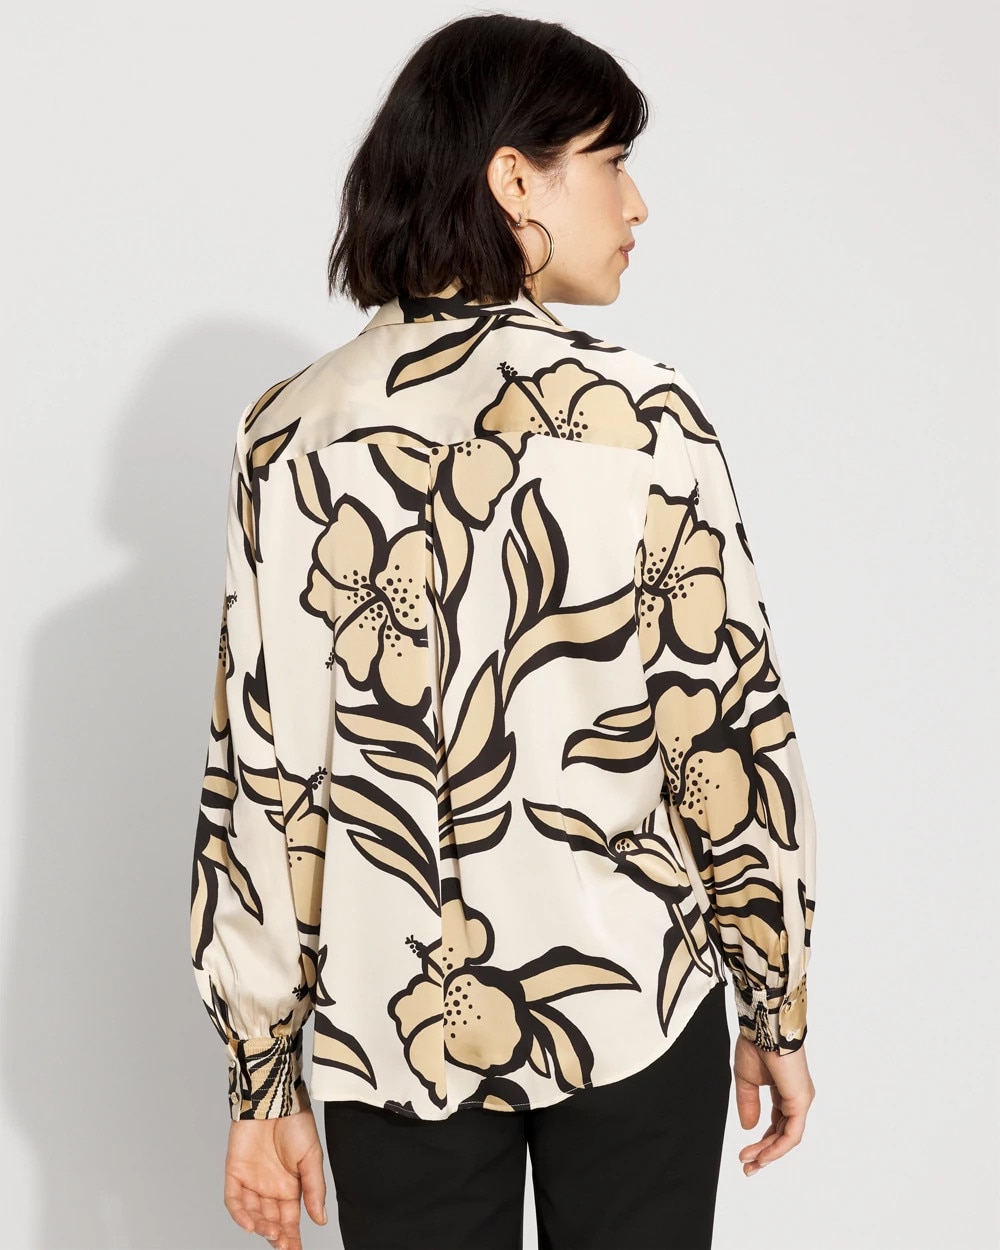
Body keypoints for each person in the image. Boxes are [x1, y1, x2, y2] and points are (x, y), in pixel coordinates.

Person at [189, 13, 817, 1250]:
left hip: (393, 1021)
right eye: (612, 161)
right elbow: (725, 731)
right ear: (515, 179)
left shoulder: (290, 432)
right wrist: (774, 999)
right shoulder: (643, 418)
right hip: (631, 1000)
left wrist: (260, 1078)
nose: (637, 204)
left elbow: (265, 775)